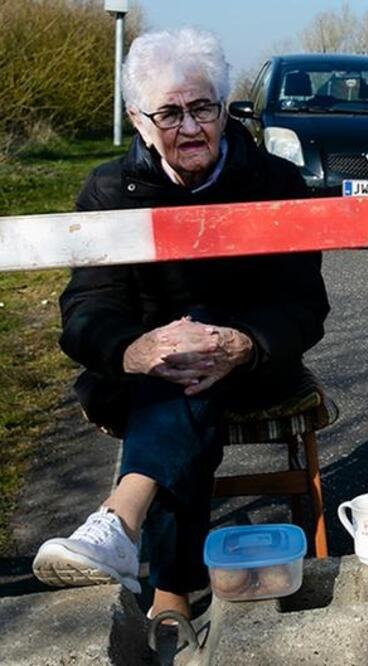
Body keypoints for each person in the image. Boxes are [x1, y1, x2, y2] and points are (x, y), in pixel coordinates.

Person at [31, 27, 329, 621]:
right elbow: (86, 309)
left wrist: (243, 343)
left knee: (195, 347)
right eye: (170, 114)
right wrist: (135, 349)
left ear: (223, 108)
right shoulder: (109, 190)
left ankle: (134, 541)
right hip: (142, 374)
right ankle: (163, 586)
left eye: (203, 108)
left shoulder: (277, 182)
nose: (191, 127)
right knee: (181, 364)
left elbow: (304, 305)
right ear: (138, 122)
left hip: (255, 366)